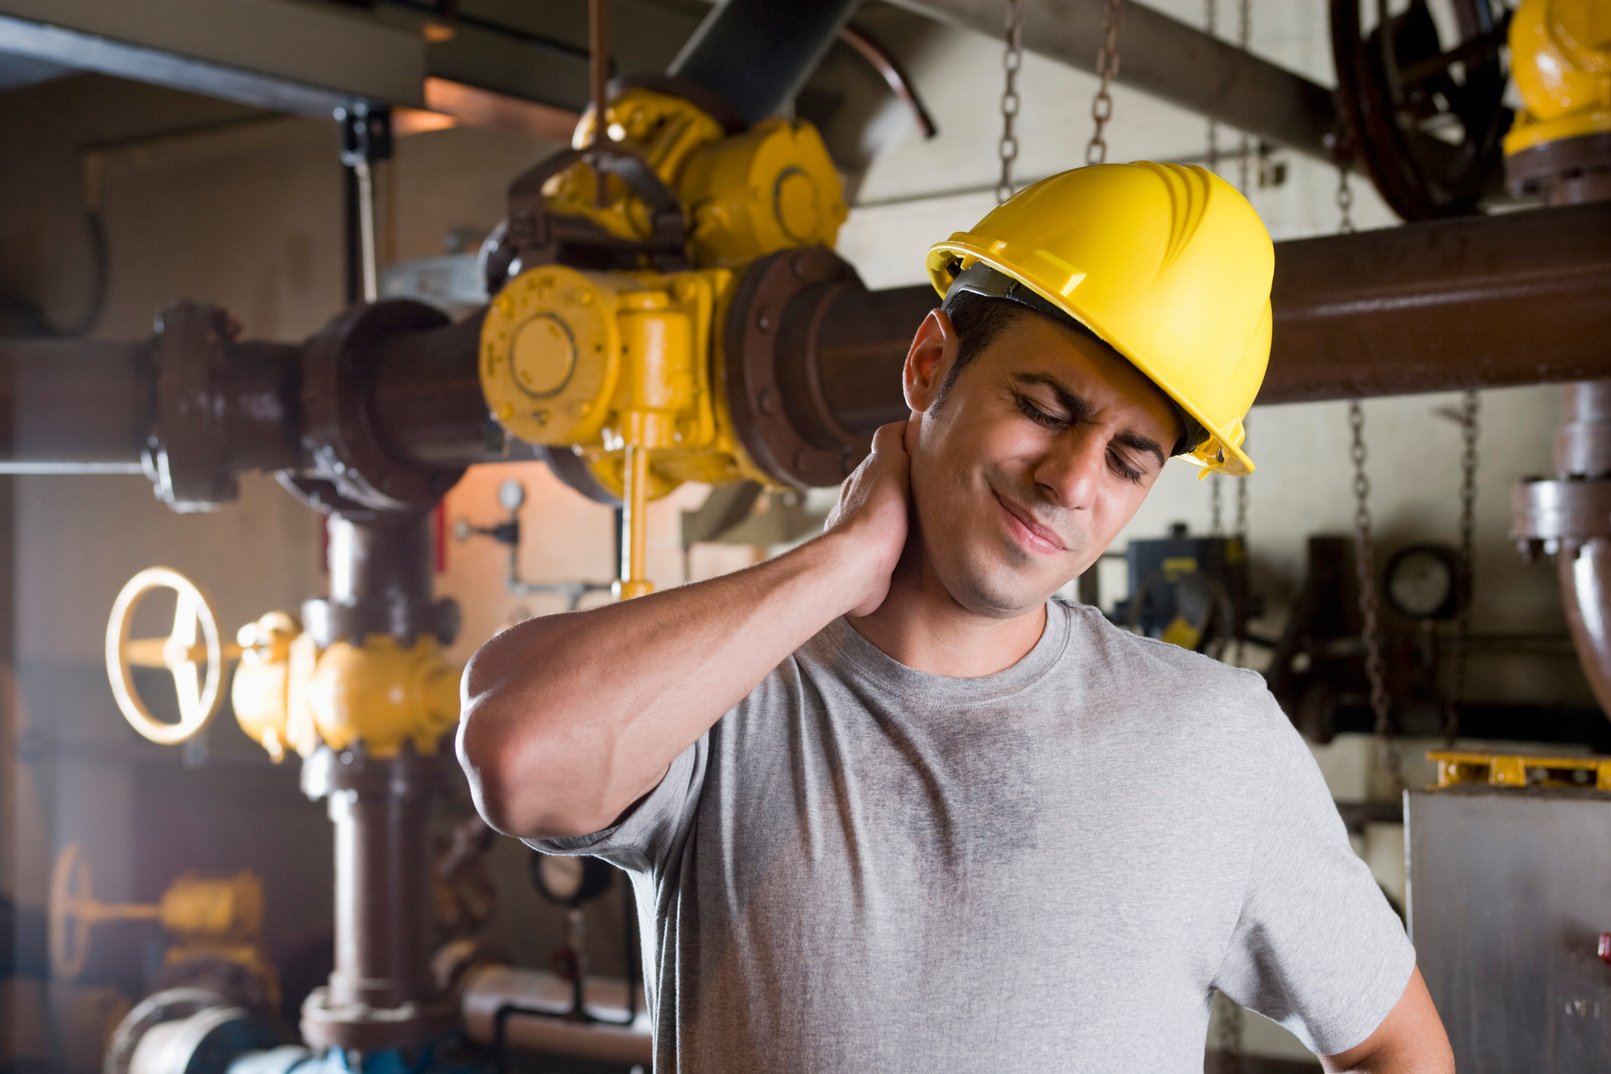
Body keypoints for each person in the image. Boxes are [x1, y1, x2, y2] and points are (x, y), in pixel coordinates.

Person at [457, 162, 1453, 1073]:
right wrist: (838, 562)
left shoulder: (1215, 738)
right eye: (1048, 407)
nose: (1071, 481)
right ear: (931, 363)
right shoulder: (729, 695)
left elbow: (1398, 1049)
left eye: (1127, 459)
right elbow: (518, 756)